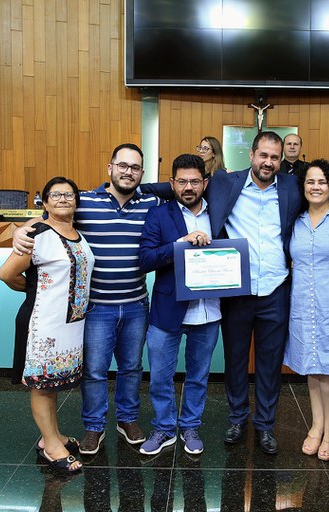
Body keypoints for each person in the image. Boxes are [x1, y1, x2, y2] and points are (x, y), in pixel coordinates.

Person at [12, 143, 160, 456]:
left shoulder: (151, 203)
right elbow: (50, 217)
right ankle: (94, 427)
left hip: (136, 304)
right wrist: (21, 230)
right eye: (122, 165)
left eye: (135, 167)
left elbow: (179, 195)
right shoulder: (85, 202)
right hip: (97, 307)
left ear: (142, 173)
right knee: (93, 371)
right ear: (110, 168)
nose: (128, 172)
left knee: (132, 368)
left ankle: (128, 420)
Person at [207, 131, 303, 455]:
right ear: (251, 155)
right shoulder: (225, 182)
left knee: (269, 363)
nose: (268, 162)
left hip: (276, 289)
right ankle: (237, 418)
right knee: (235, 360)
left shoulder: (292, 187)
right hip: (237, 290)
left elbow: (325, 193)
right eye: (263, 155)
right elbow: (181, 185)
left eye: (275, 157)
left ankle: (265, 425)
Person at [0, 176, 94, 473]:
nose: (63, 199)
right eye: (56, 195)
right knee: (41, 385)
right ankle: (51, 446)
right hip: (42, 323)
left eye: (69, 194)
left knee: (52, 384)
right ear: (45, 201)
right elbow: (6, 274)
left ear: (76, 201)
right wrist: (33, 289)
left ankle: (52, 436)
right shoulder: (36, 234)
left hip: (69, 325)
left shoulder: (78, 233)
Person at [137, 154, 220, 456]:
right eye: (182, 181)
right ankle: (163, 427)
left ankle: (190, 426)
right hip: (168, 309)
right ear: (172, 183)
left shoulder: (219, 214)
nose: (188, 187)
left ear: (205, 183)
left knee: (198, 376)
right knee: (160, 376)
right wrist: (180, 244)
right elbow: (145, 259)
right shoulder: (159, 214)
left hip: (208, 310)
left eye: (195, 181)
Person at [284, 159, 329, 462]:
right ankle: (316, 425)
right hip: (303, 305)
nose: (316, 187)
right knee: (311, 368)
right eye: (310, 181)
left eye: (322, 182)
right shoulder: (296, 220)